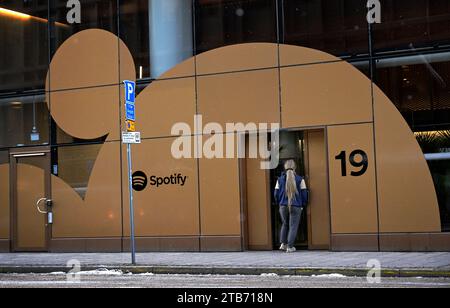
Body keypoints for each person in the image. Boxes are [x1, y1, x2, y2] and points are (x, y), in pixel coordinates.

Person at [274, 160, 309, 253]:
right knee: (293, 226)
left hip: (283, 206)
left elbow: (276, 194)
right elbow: (304, 194)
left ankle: (283, 244)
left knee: (285, 224)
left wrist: (280, 203)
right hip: (296, 206)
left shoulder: (279, 179)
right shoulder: (300, 179)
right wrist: (303, 204)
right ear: (295, 168)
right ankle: (290, 247)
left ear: (285, 168)